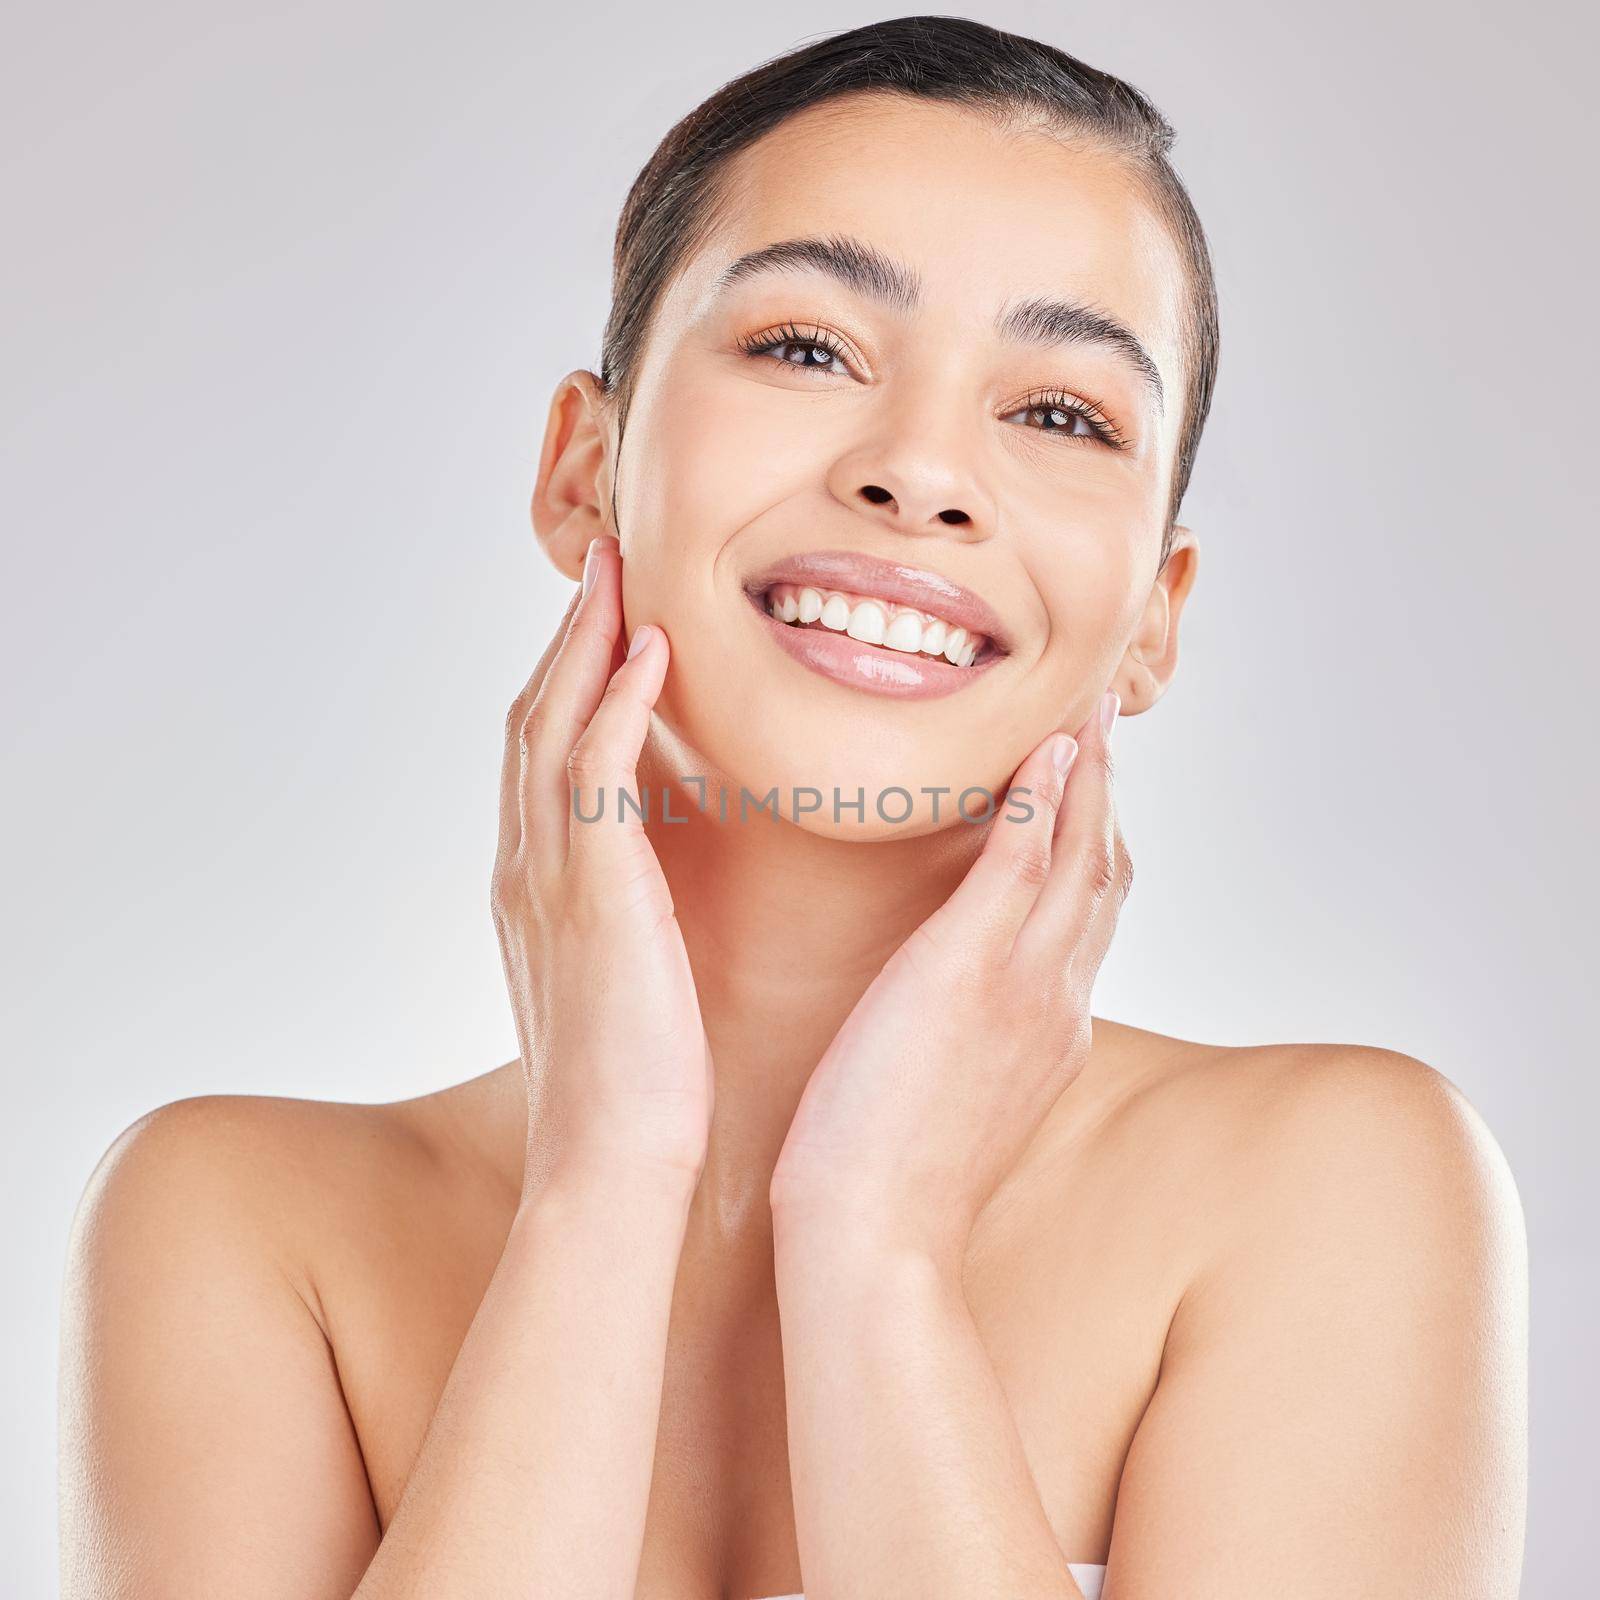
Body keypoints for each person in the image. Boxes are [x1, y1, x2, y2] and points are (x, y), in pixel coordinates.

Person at [57, 16, 1528, 1599]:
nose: (920, 473)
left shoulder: (1332, 1191)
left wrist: (875, 1242)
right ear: (582, 468)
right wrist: (604, 1179)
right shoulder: (238, 1229)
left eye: (1060, 415)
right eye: (806, 348)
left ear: (1156, 614)